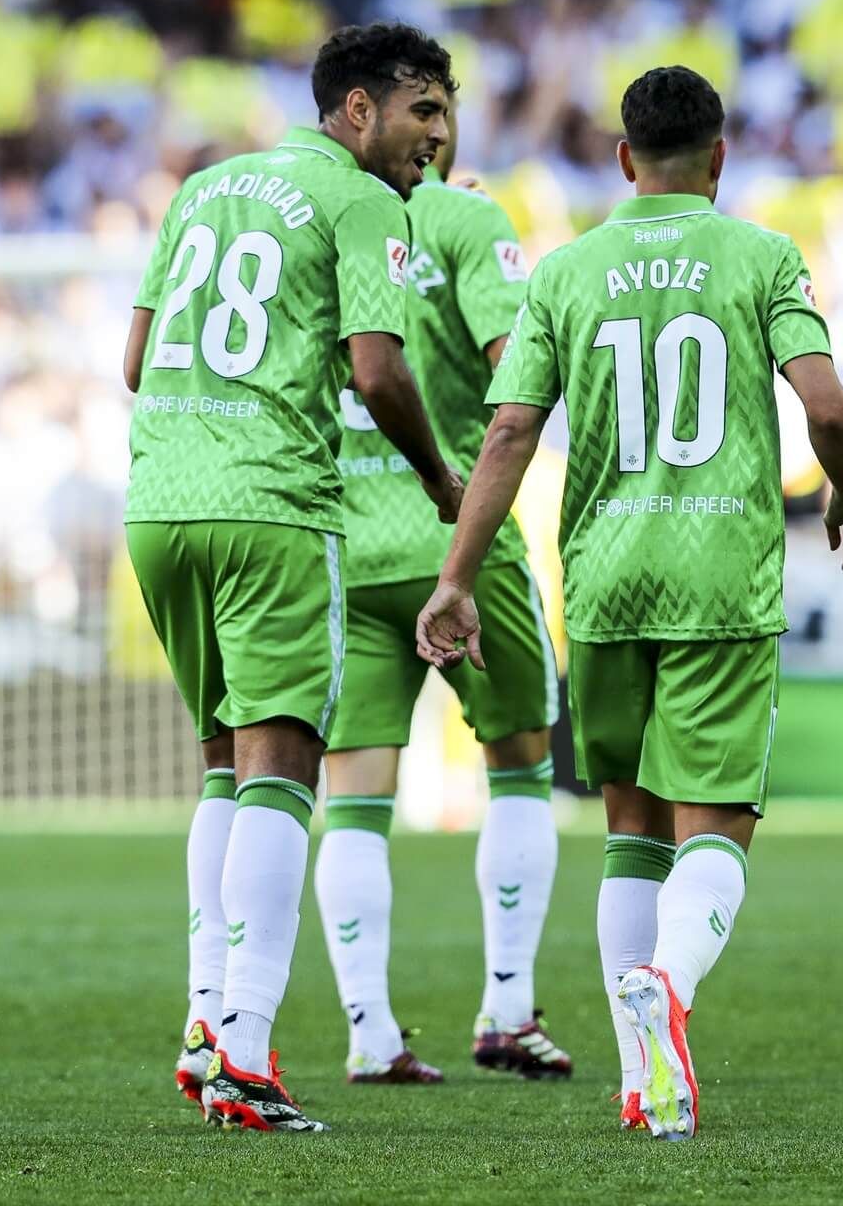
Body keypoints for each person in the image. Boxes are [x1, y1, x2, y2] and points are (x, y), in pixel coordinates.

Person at [416, 65, 843, 1140]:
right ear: (718, 159)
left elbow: (508, 433)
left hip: (608, 578)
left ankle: (648, 1080)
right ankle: (665, 987)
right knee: (715, 824)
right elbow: (825, 402)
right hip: (722, 574)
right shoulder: (763, 254)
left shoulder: (567, 269)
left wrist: (458, 574)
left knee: (630, 828)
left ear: (625, 159)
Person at [124, 21, 462, 1132]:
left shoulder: (203, 187)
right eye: (422, 109)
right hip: (272, 506)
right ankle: (247, 1051)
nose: (439, 134)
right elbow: (377, 366)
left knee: (223, 763)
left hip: (163, 503)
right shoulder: (364, 202)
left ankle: (203, 1016)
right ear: (356, 109)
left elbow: (132, 362)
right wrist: (442, 479)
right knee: (281, 767)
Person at [314, 128, 571, 1086]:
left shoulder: (321, 219)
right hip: (458, 537)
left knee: (354, 802)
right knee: (519, 767)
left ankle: (370, 1033)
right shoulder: (466, 217)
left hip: (348, 543)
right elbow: (519, 373)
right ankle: (506, 1008)